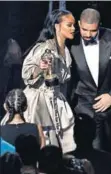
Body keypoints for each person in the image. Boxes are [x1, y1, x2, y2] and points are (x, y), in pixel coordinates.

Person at [70, 8, 111, 152]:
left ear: (100, 25)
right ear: (79, 24)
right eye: (84, 30)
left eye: (93, 31)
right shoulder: (71, 42)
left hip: (110, 106)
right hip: (83, 103)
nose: (88, 34)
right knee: (89, 149)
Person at [15, 9, 76, 153]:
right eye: (69, 25)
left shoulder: (65, 50)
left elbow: (63, 77)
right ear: (57, 26)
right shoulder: (43, 48)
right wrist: (39, 68)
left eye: (74, 25)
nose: (73, 29)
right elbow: (27, 73)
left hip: (56, 98)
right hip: (39, 101)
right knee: (43, 139)